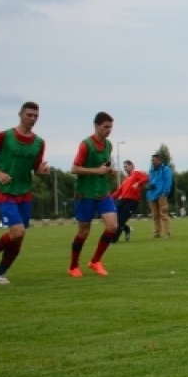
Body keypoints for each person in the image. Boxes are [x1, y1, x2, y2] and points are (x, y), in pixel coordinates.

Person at [0, 101, 49, 285]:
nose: (32, 119)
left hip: (24, 192)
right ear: (20, 114)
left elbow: (37, 169)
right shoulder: (4, 136)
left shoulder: (39, 143)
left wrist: (42, 171)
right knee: (17, 232)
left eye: (36, 116)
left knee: (19, 237)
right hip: (5, 191)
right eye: (29, 115)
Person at [69, 112, 119, 277]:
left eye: (110, 127)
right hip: (85, 194)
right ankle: (73, 266)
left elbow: (103, 165)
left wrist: (109, 171)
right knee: (83, 232)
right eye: (106, 127)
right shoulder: (86, 145)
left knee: (112, 226)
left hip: (103, 192)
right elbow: (74, 169)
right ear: (96, 126)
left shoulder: (109, 145)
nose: (109, 130)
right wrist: (97, 171)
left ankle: (95, 261)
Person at [112, 160, 147, 241]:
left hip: (132, 201)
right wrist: (108, 199)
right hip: (122, 201)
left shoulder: (136, 174)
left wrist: (138, 183)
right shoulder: (126, 179)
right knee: (115, 220)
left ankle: (114, 239)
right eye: (124, 167)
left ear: (131, 166)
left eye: (126, 167)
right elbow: (118, 192)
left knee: (121, 220)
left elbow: (146, 178)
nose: (124, 169)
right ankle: (127, 229)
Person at [146, 152, 173, 238]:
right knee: (155, 216)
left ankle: (167, 232)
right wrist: (149, 188)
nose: (152, 162)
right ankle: (157, 233)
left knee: (163, 214)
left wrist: (165, 192)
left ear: (159, 160)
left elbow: (168, 181)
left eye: (154, 160)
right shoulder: (151, 170)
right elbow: (150, 181)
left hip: (161, 194)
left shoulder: (166, 169)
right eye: (152, 160)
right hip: (152, 195)